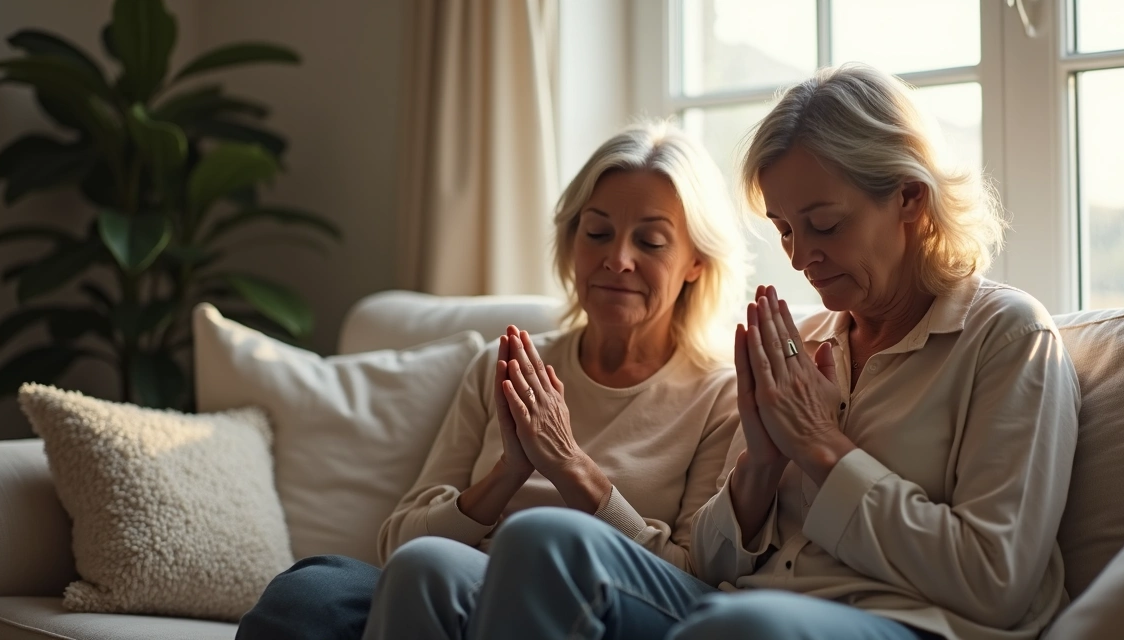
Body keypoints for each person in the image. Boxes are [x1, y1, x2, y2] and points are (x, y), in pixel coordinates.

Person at [413, 63, 1081, 640]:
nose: (801, 256)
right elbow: (709, 562)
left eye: (824, 224)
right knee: (543, 541)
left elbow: (996, 580)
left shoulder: (1007, 337)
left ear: (909, 198)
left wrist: (823, 448)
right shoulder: (806, 342)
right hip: (747, 606)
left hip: (906, 621)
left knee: (737, 628)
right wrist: (760, 468)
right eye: (785, 230)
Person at [235, 121, 749, 640]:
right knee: (307, 594)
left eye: (651, 241)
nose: (617, 259)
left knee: (430, 571)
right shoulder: (505, 363)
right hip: (445, 590)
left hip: (581, 608)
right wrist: (508, 472)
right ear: (571, 243)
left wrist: (571, 467)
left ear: (695, 265)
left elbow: (689, 578)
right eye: (596, 233)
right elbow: (399, 542)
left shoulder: (719, 396)